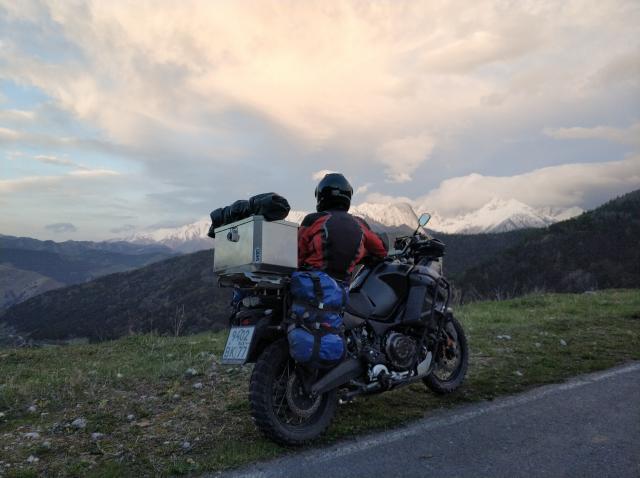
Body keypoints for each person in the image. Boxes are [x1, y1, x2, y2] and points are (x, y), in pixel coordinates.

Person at [298, 173, 387, 282]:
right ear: (348, 195)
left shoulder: (312, 220)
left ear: (320, 195)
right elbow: (381, 251)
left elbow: (297, 255)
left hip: (309, 284)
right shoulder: (360, 223)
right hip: (341, 288)